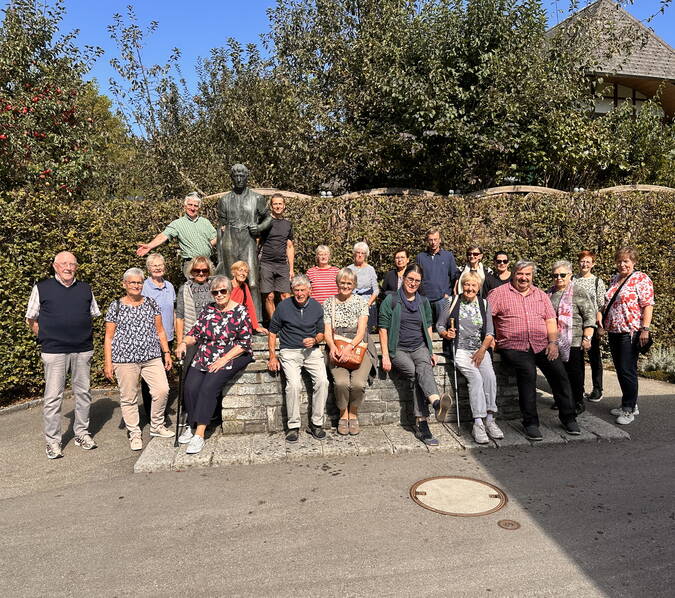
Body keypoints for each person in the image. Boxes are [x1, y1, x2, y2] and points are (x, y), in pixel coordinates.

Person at [488, 260, 581, 440]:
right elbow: (485, 317)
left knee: (559, 373)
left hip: (541, 344)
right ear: (513, 274)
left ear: (532, 276)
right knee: (528, 373)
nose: (524, 278)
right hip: (514, 346)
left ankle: (568, 417)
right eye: (520, 274)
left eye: (527, 274)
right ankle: (530, 423)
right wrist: (490, 337)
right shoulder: (498, 294)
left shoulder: (540, 295)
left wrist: (553, 342)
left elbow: (550, 320)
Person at [25, 251, 101, 459]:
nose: (68, 267)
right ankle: (53, 442)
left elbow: (93, 314)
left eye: (72, 264)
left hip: (82, 349)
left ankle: (82, 434)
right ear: (55, 266)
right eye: (64, 264)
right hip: (54, 351)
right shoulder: (42, 288)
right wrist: (47, 337)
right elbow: (31, 318)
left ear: (77, 267)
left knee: (84, 393)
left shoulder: (85, 289)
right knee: (52, 398)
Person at [175, 275, 254, 454]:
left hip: (233, 353)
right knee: (190, 386)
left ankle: (200, 434)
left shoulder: (240, 311)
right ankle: (192, 424)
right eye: (215, 292)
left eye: (223, 291)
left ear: (230, 291)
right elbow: (195, 333)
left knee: (208, 386)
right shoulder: (207, 309)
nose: (219, 295)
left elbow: (245, 342)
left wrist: (224, 359)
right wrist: (182, 343)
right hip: (207, 352)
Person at [104, 268, 174, 451]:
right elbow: (109, 337)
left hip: (151, 357)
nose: (136, 285)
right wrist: (108, 362)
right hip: (124, 359)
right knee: (129, 397)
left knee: (162, 390)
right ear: (124, 284)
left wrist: (166, 352)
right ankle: (134, 433)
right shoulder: (115, 306)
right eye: (132, 282)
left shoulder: (151, 303)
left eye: (139, 282)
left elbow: (160, 331)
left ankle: (157, 425)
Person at [379, 264, 443, 446]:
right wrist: (385, 354)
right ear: (403, 279)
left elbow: (428, 325)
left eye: (417, 280)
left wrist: (431, 351)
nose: (413, 283)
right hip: (398, 348)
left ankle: (430, 412)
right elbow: (382, 328)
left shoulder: (423, 302)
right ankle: (428, 415)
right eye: (410, 279)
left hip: (419, 347)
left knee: (423, 369)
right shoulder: (391, 300)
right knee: (416, 374)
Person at [437, 271, 503, 444]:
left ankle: (490, 419)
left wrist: (482, 350)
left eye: (473, 285)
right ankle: (478, 423)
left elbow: (490, 332)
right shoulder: (451, 301)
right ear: (461, 285)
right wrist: (446, 333)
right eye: (467, 284)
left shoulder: (484, 304)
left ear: (478, 287)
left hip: (480, 349)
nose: (470, 288)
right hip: (459, 350)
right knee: (476, 379)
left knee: (489, 377)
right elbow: (439, 325)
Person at [267, 275, 328, 443]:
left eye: (303, 290)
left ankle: (316, 423)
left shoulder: (316, 307)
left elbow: (322, 333)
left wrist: (315, 339)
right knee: (293, 384)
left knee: (323, 381)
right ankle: (293, 426)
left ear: (309, 290)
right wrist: (272, 356)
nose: (300, 293)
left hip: (311, 351)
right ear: (292, 291)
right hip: (289, 351)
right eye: (296, 290)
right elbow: (272, 332)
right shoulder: (283, 307)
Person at [603, 247, 654, 425]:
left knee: (627, 370)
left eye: (626, 261)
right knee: (621, 369)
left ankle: (629, 409)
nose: (622, 264)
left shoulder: (641, 278)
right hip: (614, 331)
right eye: (619, 261)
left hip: (630, 331)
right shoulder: (614, 279)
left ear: (633, 262)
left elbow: (648, 305)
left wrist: (645, 329)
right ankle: (630, 402)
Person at [216, 164, 272, 320]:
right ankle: (229, 318)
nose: (239, 179)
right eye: (236, 176)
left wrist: (259, 227)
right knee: (230, 282)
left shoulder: (257, 198)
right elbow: (220, 228)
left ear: (247, 177)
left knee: (252, 282)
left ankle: (257, 321)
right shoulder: (224, 200)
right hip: (230, 240)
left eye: (242, 176)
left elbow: (269, 218)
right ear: (232, 178)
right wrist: (219, 256)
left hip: (248, 240)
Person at [323, 268, 373, 435]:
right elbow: (327, 331)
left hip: (358, 347)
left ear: (354, 285)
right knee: (341, 383)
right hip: (336, 346)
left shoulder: (361, 303)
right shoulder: (329, 302)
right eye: (342, 282)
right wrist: (333, 347)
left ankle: (354, 413)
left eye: (349, 283)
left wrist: (349, 347)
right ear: (337, 283)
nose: (345, 286)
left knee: (358, 383)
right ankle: (343, 414)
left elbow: (361, 331)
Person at [546, 260, 596, 415]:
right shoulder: (549, 292)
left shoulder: (578, 291)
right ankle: (562, 399)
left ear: (570, 275)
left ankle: (577, 401)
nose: (559, 278)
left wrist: (587, 338)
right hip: (554, 341)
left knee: (574, 374)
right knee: (557, 373)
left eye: (562, 275)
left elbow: (589, 316)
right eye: (555, 275)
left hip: (573, 341)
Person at [136, 192, 217, 277]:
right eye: (190, 205)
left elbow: (214, 239)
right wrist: (149, 246)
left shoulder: (205, 222)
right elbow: (163, 236)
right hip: (191, 263)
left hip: (207, 262)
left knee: (213, 287)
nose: (192, 208)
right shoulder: (177, 224)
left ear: (199, 208)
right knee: (194, 288)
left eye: (195, 206)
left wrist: (223, 233)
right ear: (185, 206)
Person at [140, 253, 176, 422]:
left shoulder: (169, 286)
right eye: (154, 265)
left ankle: (160, 409)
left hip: (167, 337)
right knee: (150, 378)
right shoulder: (144, 287)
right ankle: (150, 413)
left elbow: (173, 310)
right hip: (150, 338)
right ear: (148, 268)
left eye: (160, 264)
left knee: (164, 375)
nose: (157, 268)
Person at [573, 250, 607, 403]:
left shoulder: (597, 281)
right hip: (575, 325)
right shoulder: (572, 279)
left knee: (594, 358)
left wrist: (600, 325)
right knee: (576, 359)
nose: (584, 264)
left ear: (593, 264)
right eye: (582, 261)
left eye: (588, 261)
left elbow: (601, 306)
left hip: (591, 325)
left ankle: (597, 389)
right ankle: (577, 390)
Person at [175, 256, 215, 374]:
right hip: (191, 337)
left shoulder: (215, 286)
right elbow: (180, 317)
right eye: (197, 270)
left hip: (212, 337)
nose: (201, 273)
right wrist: (180, 343)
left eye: (204, 270)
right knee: (190, 372)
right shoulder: (185, 289)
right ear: (191, 271)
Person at [259, 193, 295, 319]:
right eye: (275, 203)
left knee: (285, 295)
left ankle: (286, 323)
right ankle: (275, 325)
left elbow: (289, 246)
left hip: (282, 265)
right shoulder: (265, 222)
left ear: (284, 206)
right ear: (271, 206)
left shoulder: (288, 224)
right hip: (266, 263)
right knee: (269, 296)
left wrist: (291, 269)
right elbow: (257, 241)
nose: (278, 206)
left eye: (280, 203)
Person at [415, 227, 459, 321]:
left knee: (442, 327)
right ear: (427, 240)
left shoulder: (448, 256)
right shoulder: (420, 257)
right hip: (425, 299)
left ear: (440, 240)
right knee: (426, 328)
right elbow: (417, 277)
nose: (433, 242)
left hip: (442, 299)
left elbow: (454, 277)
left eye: (435, 239)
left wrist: (448, 294)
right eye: (431, 240)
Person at [347, 241, 379, 330]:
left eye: (363, 253)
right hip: (352, 304)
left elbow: (376, 290)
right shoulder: (349, 269)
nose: (360, 255)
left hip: (368, 304)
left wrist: (368, 304)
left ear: (366, 255)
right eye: (358, 252)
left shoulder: (370, 269)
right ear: (354, 254)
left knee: (367, 332)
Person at [230, 260, 268, 334]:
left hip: (238, 319)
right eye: (240, 270)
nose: (243, 273)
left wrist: (256, 326)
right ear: (233, 272)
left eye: (246, 271)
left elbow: (250, 306)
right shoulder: (227, 285)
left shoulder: (244, 286)